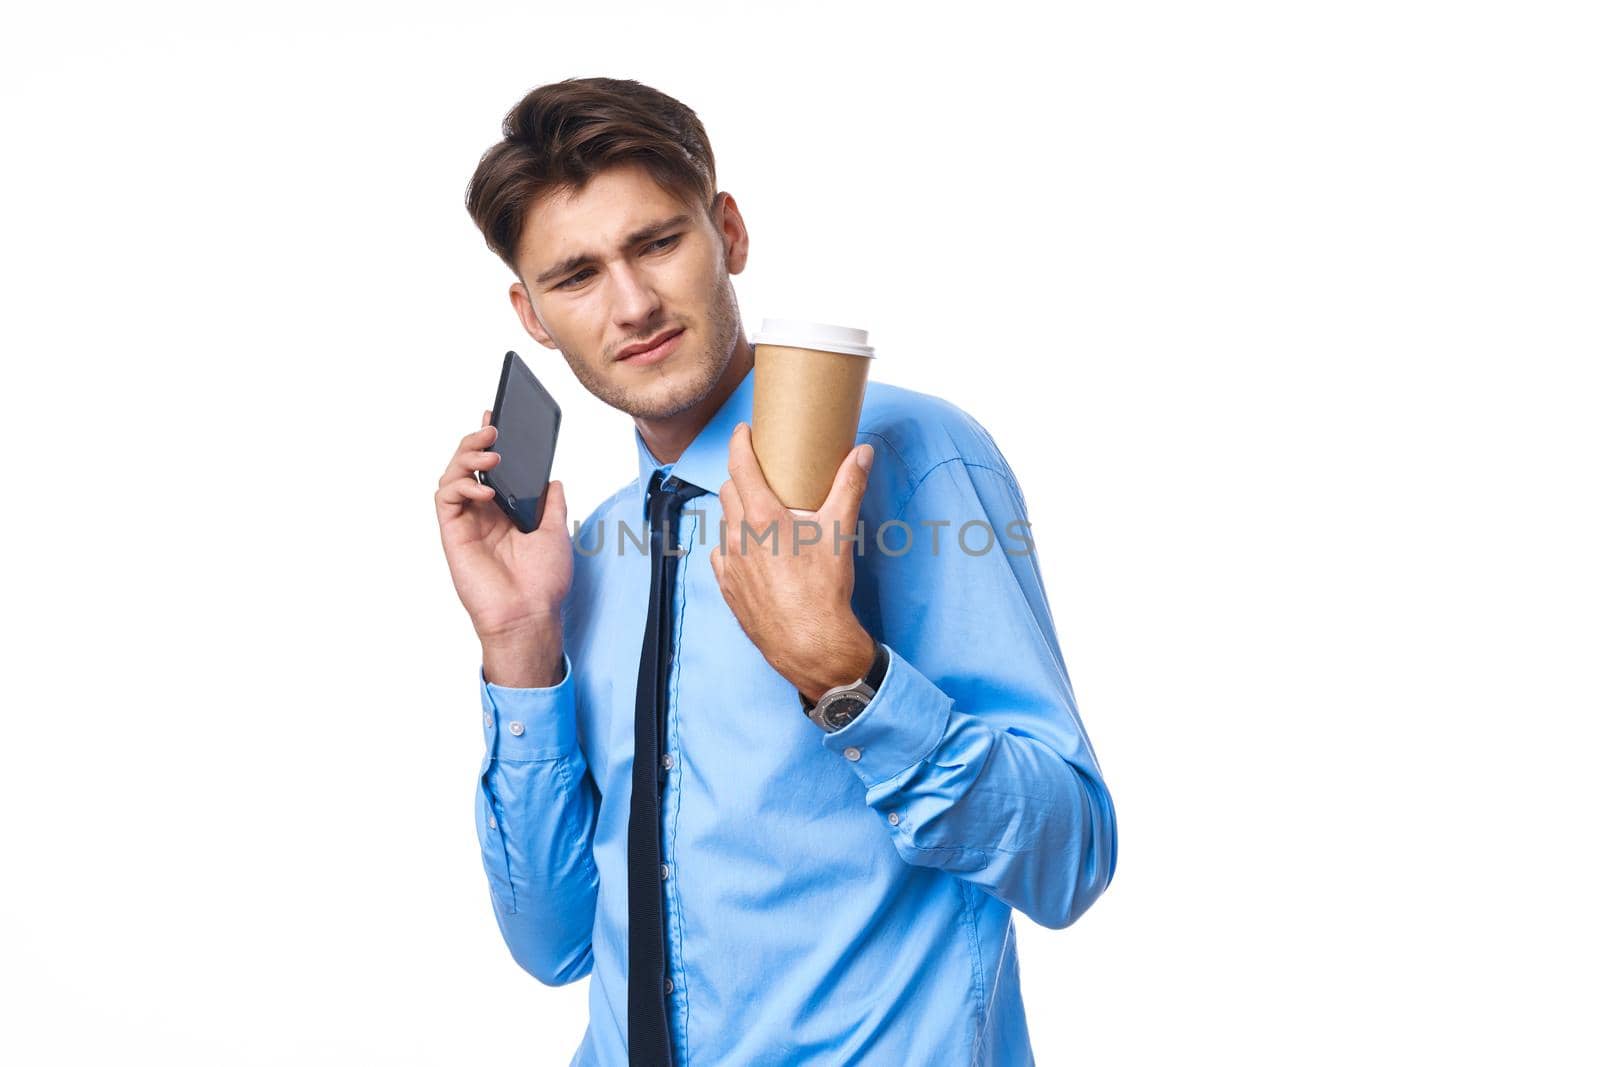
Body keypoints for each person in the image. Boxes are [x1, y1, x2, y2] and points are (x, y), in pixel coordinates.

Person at [436, 76, 1117, 1067]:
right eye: (576, 275)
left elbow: (1069, 855)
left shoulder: (905, 455)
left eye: (658, 243)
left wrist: (844, 673)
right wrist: (520, 644)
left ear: (729, 233)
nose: (632, 305)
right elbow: (553, 944)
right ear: (531, 313)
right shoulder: (592, 554)